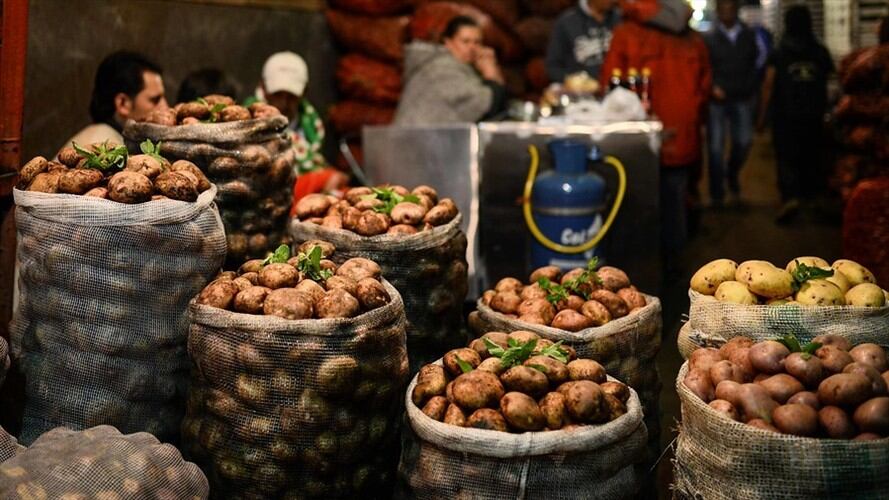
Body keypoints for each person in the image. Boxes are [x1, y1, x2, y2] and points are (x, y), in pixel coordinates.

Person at [601, 0, 711, 274]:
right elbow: (705, 86)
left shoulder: (625, 33)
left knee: (635, 202)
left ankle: (639, 269)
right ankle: (674, 269)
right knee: (676, 203)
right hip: (682, 133)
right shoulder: (692, 39)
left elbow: (610, 86)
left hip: (638, 139)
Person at [757, 5, 833, 223]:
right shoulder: (820, 51)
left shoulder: (779, 52)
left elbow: (768, 85)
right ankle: (812, 196)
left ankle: (790, 198)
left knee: (786, 157)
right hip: (814, 115)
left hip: (785, 115)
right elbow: (830, 83)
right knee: (812, 155)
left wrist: (761, 117)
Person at [247, 51, 347, 201]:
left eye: (291, 97)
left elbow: (316, 164)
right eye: (277, 95)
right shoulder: (249, 121)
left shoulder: (312, 124)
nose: (284, 103)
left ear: (304, 92)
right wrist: (323, 179)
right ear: (264, 88)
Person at [394, 15, 506, 126]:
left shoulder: (462, 68)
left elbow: (501, 103)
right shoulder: (441, 69)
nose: (472, 48)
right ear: (448, 42)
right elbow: (488, 106)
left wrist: (492, 68)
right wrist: (490, 73)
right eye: (465, 41)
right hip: (415, 136)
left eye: (477, 42)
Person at [704, 0, 759, 207]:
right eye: (723, 8)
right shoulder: (709, 38)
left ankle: (732, 173)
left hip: (742, 98)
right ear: (718, 11)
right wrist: (711, 87)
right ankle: (717, 194)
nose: (727, 12)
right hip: (716, 101)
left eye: (730, 8)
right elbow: (703, 67)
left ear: (736, 10)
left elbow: (756, 64)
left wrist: (749, 88)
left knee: (744, 141)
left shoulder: (748, 35)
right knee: (715, 148)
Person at [58, 51, 167, 154]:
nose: (165, 107)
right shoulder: (101, 151)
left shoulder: (106, 137)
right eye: (155, 100)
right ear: (123, 103)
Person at [545, 0, 620, 83]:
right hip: (580, 88)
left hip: (618, 85)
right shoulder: (566, 22)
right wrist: (570, 81)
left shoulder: (621, 18)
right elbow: (553, 66)